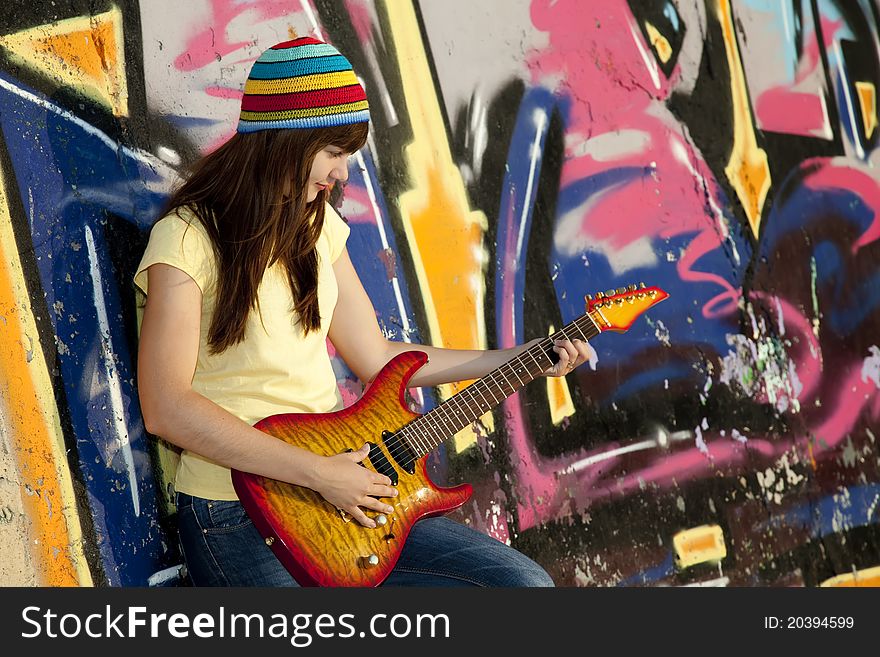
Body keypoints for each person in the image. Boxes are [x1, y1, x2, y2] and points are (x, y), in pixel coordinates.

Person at [134, 36, 592, 587]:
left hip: (342, 492)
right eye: (333, 151)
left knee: (522, 586)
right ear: (282, 140)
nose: (343, 174)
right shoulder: (186, 239)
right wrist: (319, 473)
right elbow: (166, 407)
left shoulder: (317, 229)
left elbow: (378, 356)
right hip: (233, 511)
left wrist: (521, 358)